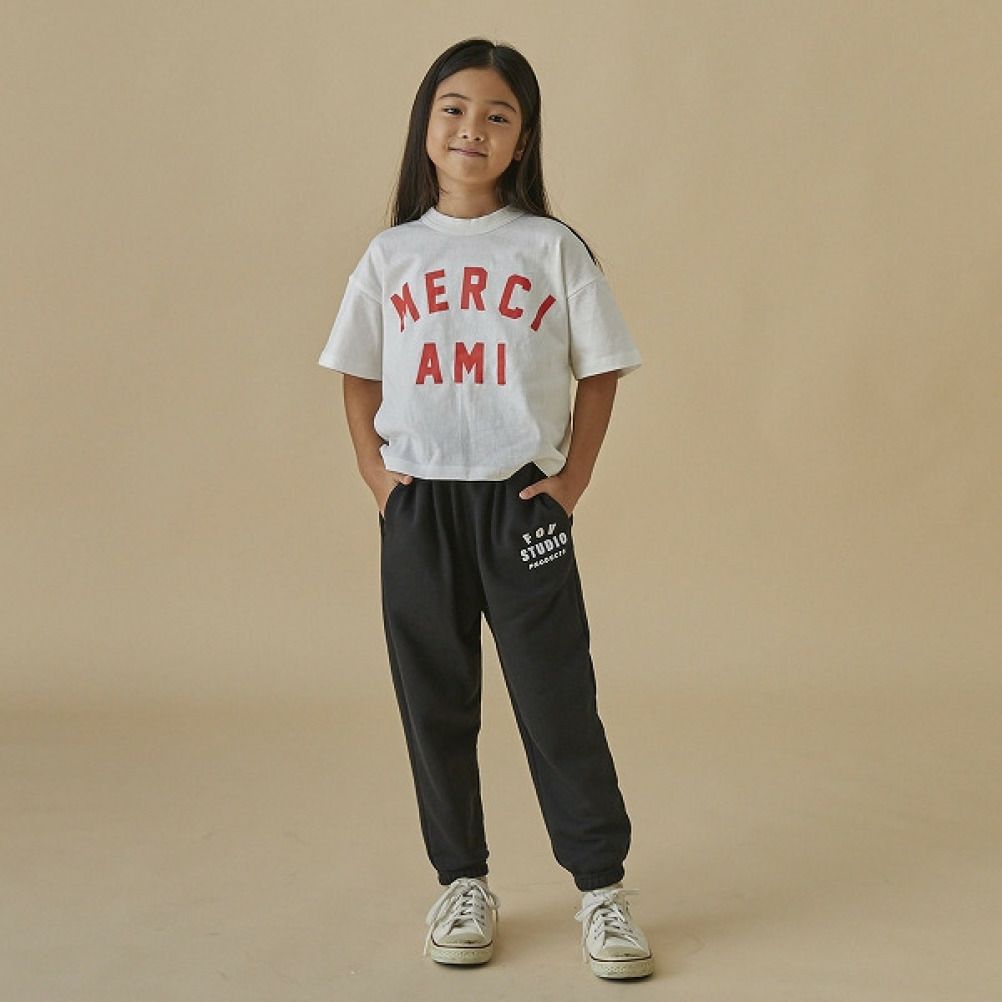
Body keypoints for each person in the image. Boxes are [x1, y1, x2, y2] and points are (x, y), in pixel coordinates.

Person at [317, 37, 654, 981]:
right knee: (434, 701)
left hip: (520, 506)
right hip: (419, 506)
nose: (473, 129)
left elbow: (601, 369)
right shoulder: (391, 255)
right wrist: (375, 475)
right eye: (454, 109)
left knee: (557, 699)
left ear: (522, 139)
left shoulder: (550, 247)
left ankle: (601, 887)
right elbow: (356, 370)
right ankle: (461, 881)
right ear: (426, 125)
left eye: (497, 116)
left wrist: (572, 481)